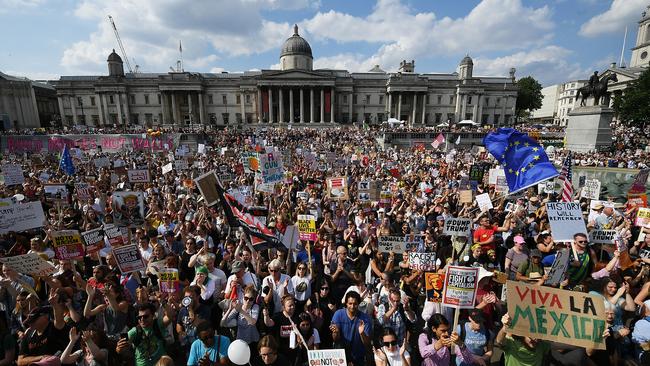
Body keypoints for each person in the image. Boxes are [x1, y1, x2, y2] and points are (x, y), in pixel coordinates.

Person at [330, 291, 372, 366]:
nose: (352, 306)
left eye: (355, 304)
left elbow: (367, 344)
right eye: (350, 303)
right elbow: (335, 339)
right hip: (341, 356)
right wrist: (336, 332)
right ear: (346, 303)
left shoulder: (365, 318)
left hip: (358, 357)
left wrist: (362, 333)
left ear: (358, 304)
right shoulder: (338, 314)